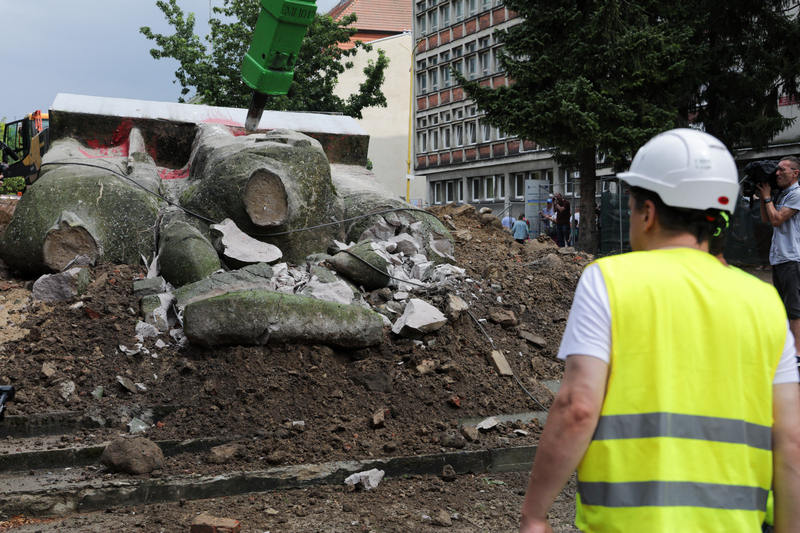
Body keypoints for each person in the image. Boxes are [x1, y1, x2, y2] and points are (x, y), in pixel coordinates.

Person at [519, 129, 800, 533]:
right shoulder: (764, 301)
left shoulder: (608, 281)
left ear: (647, 212)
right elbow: (789, 439)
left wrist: (534, 515)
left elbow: (578, 407)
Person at [758, 156, 800, 354]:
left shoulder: (797, 193)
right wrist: (762, 196)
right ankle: (788, 349)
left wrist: (768, 198)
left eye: (782, 169)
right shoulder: (781, 194)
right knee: (783, 307)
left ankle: (797, 353)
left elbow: (776, 220)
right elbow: (765, 218)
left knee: (794, 308)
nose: (777, 173)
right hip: (779, 258)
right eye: (777, 169)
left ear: (795, 173)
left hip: (792, 258)